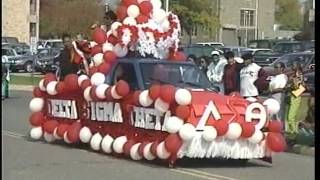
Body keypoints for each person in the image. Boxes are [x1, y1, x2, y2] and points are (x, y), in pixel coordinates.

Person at [286, 61, 305, 134]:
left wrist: (291, 82)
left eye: (293, 65)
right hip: (293, 95)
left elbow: (297, 86)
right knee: (290, 115)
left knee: (291, 116)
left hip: (296, 96)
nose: (292, 66)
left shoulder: (299, 74)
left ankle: (294, 132)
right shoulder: (295, 74)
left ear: (297, 66)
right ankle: (291, 130)